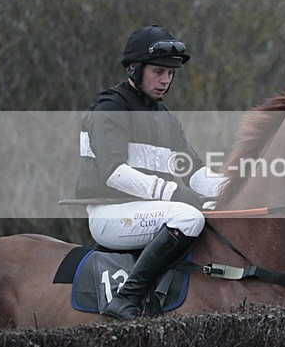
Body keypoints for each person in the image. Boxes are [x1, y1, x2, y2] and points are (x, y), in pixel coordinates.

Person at [76, 24, 224, 320]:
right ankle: (127, 299)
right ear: (134, 69)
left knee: (208, 212)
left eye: (170, 74)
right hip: (111, 214)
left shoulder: (165, 118)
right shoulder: (110, 108)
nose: (165, 81)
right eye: (158, 71)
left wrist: (241, 188)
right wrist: (172, 192)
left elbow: (194, 172)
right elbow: (114, 173)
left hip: (149, 211)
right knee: (188, 216)